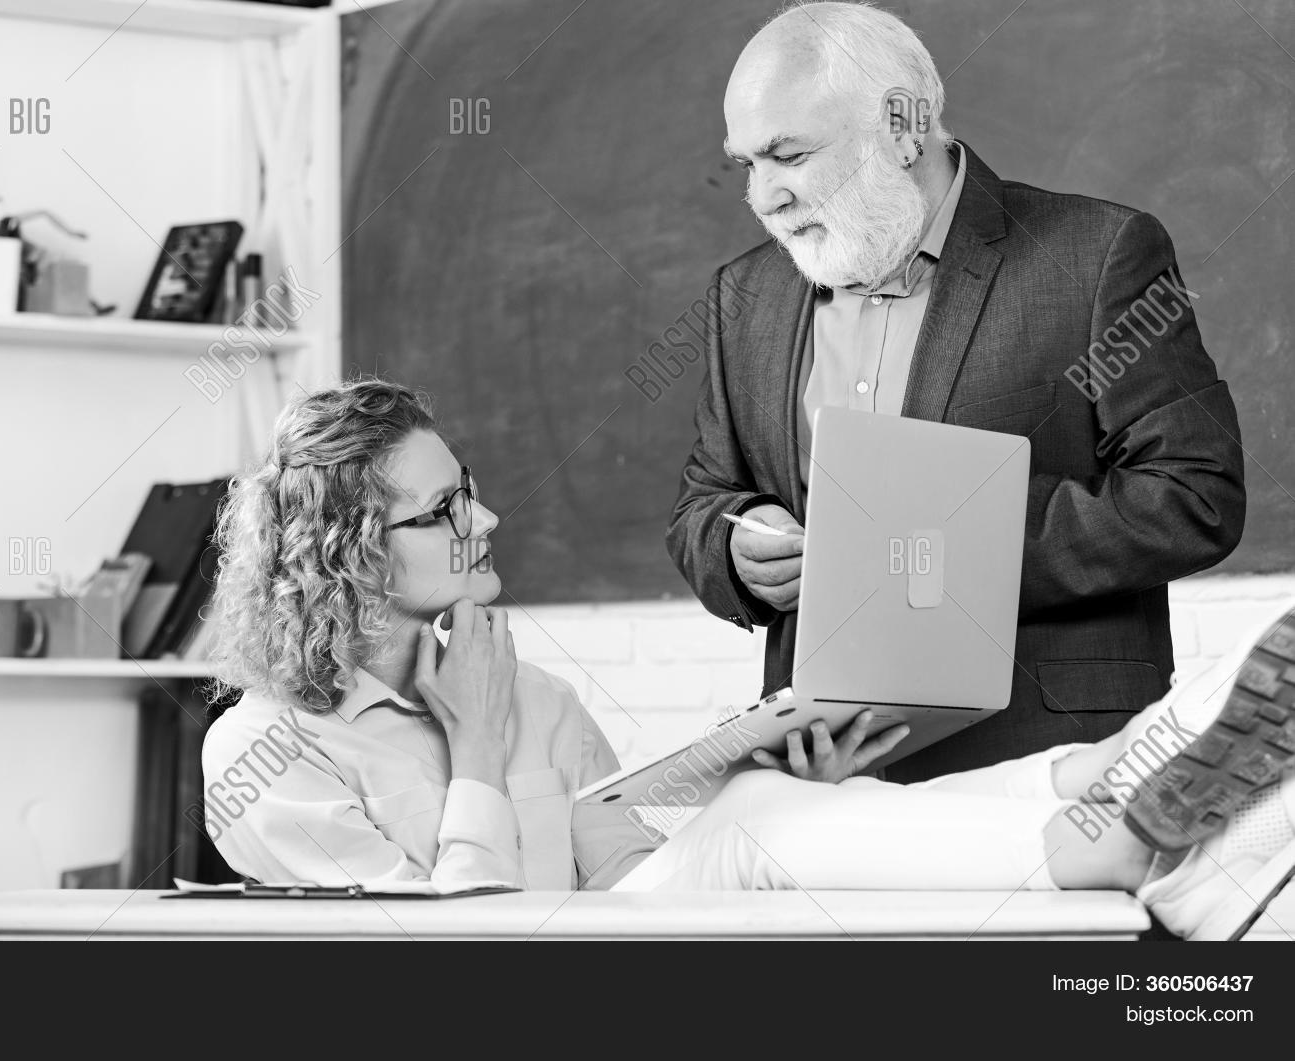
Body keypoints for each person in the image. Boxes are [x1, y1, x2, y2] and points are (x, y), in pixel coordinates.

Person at [201, 379, 1294, 941]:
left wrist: (768, 780)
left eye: (469, 487)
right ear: (347, 547)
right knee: (754, 824)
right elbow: (437, 971)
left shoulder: (529, 687)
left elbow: (617, 868)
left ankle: (1125, 773)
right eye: (442, 509)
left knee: (763, 805)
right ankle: (1126, 832)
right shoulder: (261, 751)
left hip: (624, 943)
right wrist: (478, 751)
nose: (482, 519)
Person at [666, 1, 1247, 782]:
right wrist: (737, 548)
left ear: (903, 126)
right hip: (823, 781)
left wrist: (938, 543)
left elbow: (1195, 495)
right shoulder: (745, 296)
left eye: (789, 156)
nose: (764, 197)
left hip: (1045, 767)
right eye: (747, 165)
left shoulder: (1098, 254)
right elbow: (704, 502)